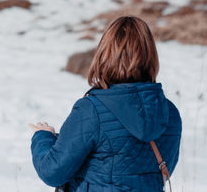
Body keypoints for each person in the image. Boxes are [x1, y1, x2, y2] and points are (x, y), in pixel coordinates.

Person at [29, 16, 182, 191]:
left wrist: (43, 137)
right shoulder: (169, 112)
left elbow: (52, 172)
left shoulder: (91, 110)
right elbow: (160, 170)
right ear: (150, 56)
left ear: (105, 54)